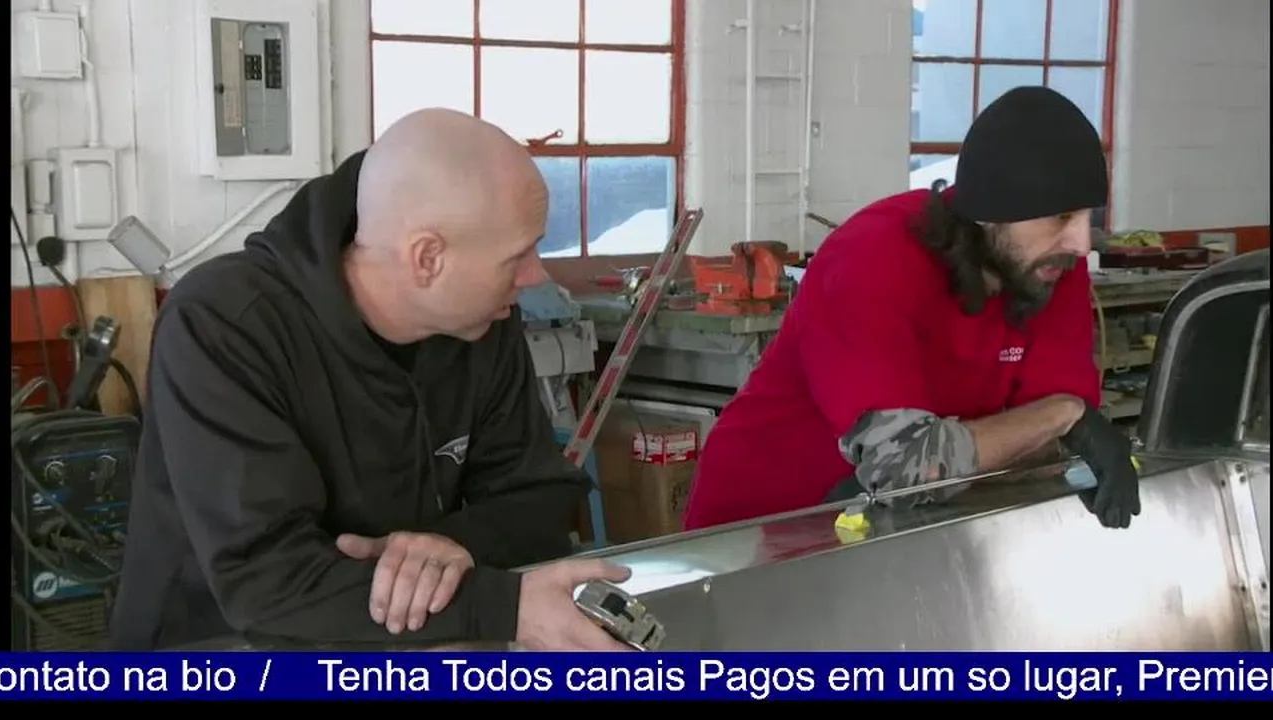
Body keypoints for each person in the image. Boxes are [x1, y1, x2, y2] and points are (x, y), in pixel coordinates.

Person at [110, 109, 632, 652]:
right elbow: (266, 580)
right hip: (214, 650)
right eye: (517, 255)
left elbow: (539, 496)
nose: (535, 275)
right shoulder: (224, 325)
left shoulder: (481, 320)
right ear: (427, 258)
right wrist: (499, 607)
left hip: (401, 641)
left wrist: (446, 551)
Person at [683, 86, 1141, 533]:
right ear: (991, 211)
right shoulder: (873, 258)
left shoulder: (1048, 267)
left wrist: (1042, 429)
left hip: (895, 528)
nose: (1081, 242)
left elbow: (1052, 447)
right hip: (762, 529)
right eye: (1062, 217)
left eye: (1089, 217)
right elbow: (905, 468)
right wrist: (1058, 418)